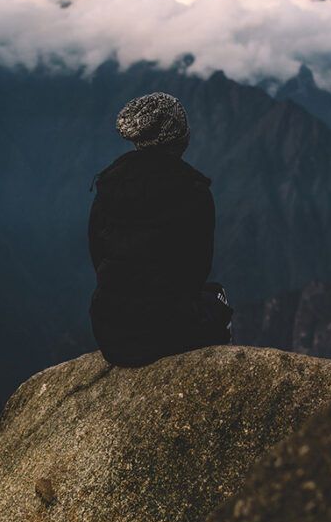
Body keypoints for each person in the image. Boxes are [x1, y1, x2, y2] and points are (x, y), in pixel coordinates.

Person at [88, 92, 232, 367]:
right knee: (217, 297)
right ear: (178, 136)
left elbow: (98, 254)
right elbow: (198, 269)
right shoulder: (193, 191)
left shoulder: (107, 185)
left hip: (109, 330)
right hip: (166, 329)